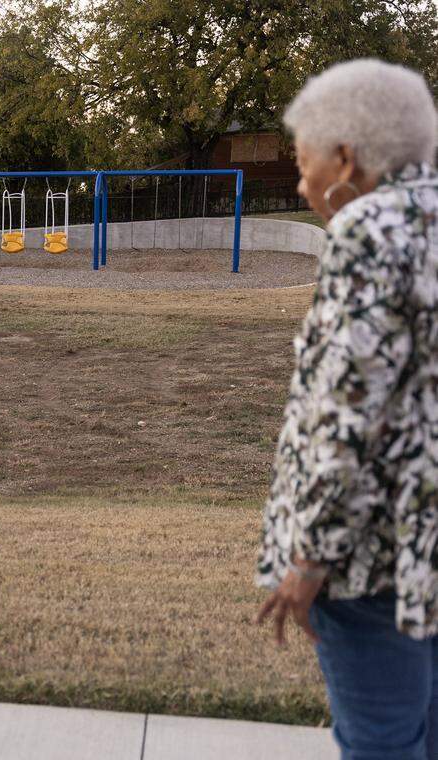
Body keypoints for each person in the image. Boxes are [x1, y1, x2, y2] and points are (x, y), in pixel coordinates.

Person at [255, 59, 438, 759]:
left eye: (303, 166)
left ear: (347, 159)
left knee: (382, 744)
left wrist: (309, 561)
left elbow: (347, 416)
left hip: (372, 562)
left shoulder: (366, 232)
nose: (302, 187)